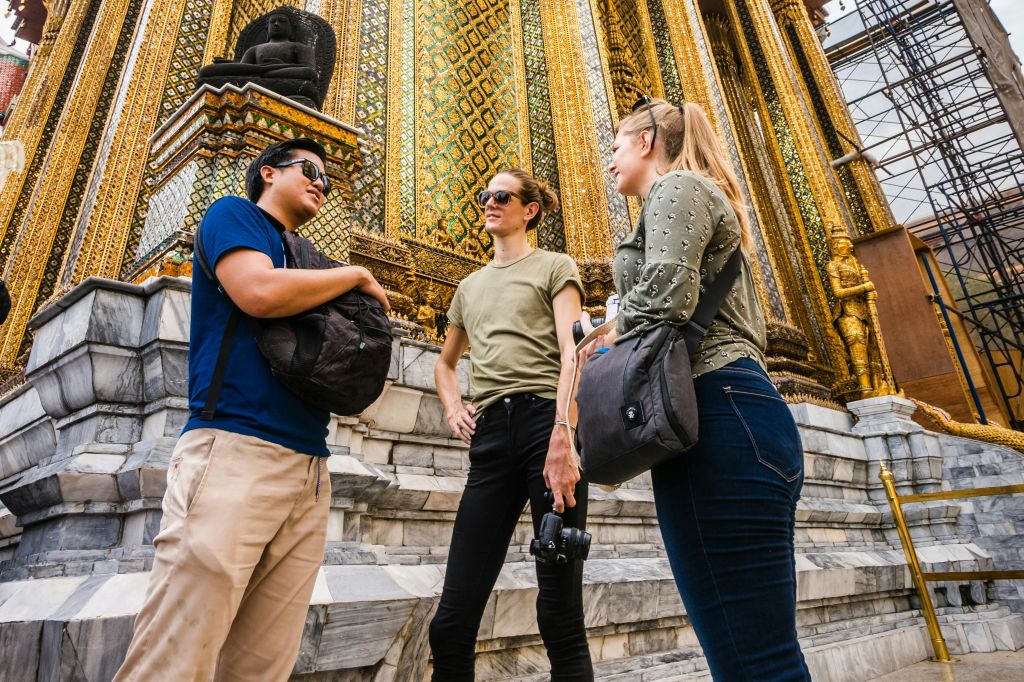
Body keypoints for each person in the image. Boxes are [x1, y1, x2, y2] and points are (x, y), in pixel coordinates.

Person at [114, 138, 389, 682]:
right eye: (309, 169)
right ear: (268, 172)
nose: (320, 183)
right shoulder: (234, 216)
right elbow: (257, 291)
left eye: (326, 178)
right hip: (234, 451)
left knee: (262, 665)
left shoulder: (307, 258)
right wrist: (356, 275)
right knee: (175, 656)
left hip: (309, 469)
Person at [583, 97, 810, 680]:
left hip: (718, 411)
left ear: (646, 142)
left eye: (615, 145)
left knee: (753, 662)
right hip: (734, 414)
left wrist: (603, 333)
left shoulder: (678, 187)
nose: (609, 160)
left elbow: (667, 295)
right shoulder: (692, 195)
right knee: (754, 655)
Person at [429, 169, 593, 680]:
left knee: (559, 615)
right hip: (492, 438)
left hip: (548, 424)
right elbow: (445, 364)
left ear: (530, 210)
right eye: (485, 195)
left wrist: (564, 434)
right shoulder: (469, 287)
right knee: (450, 623)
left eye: (501, 196)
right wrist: (454, 407)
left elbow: (573, 351)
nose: (489, 203)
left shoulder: (555, 266)